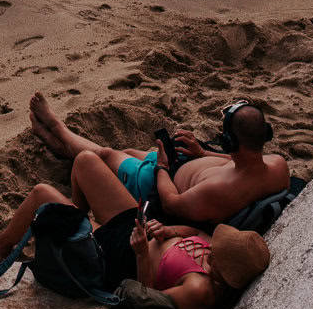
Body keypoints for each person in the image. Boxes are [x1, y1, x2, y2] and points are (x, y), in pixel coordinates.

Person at [0, 153, 269, 309]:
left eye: (217, 251)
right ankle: (80, 223)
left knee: (41, 194)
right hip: (137, 229)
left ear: (225, 270)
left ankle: (2, 244)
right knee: (86, 161)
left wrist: (143, 254)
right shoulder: (215, 253)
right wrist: (169, 230)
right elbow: (195, 232)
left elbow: (142, 301)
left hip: (116, 258)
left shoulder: (199, 291)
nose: (212, 247)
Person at [20, 91, 290, 227]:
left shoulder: (218, 192)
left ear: (231, 142)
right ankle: (65, 147)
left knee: (106, 155)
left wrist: (161, 168)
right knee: (127, 154)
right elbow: (236, 161)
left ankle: (59, 131)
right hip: (180, 168)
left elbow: (171, 205)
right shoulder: (276, 165)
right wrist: (203, 153)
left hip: (158, 185)